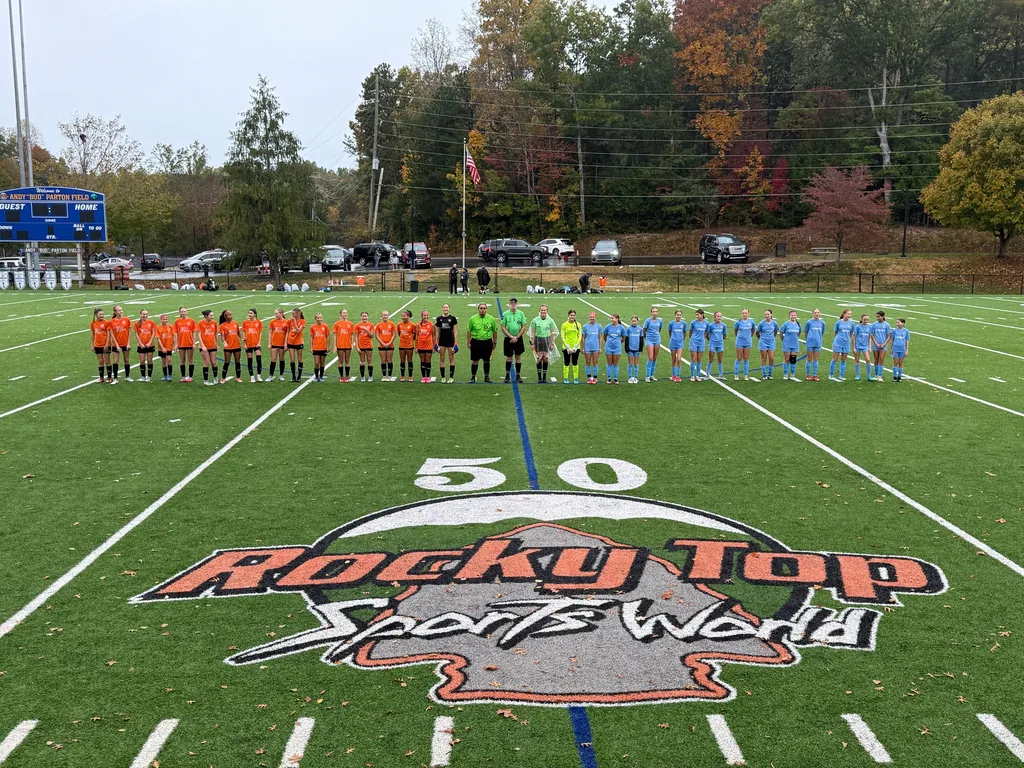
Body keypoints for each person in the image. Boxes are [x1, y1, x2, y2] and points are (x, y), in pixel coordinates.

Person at [467, 302, 498, 383]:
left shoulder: (491, 319)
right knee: (475, 361)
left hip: (487, 342)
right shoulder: (472, 319)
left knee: (486, 360)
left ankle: (486, 377)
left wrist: (494, 342)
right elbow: (469, 331)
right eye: (481, 308)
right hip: (475, 342)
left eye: (484, 308)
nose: (482, 310)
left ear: (486, 309)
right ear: (478, 309)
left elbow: (494, 331)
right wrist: (468, 342)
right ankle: (473, 377)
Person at [529, 304, 558, 383]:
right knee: (539, 359)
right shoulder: (535, 320)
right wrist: (532, 343)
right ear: (539, 311)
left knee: (545, 358)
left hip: (547, 340)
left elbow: (552, 333)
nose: (543, 311)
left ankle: (544, 377)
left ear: (547, 311)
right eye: (542, 310)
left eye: (544, 310)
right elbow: (532, 333)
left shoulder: (550, 320)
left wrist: (552, 343)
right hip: (538, 340)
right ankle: (539, 377)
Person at [500, 297, 527, 383]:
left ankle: (518, 375)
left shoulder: (521, 314)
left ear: (517, 304)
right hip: (508, 339)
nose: (513, 304)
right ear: (509, 304)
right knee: (508, 357)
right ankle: (507, 375)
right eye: (511, 303)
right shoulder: (505, 314)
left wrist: (517, 337)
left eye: (514, 303)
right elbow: (503, 327)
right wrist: (511, 337)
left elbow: (524, 326)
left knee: (518, 357)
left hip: (518, 339)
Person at [108, 304, 132, 383]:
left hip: (125, 343)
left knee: (126, 360)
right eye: (119, 310)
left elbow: (129, 332)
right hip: (116, 344)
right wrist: (116, 344)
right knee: (115, 360)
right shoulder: (112, 322)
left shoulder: (127, 320)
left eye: (121, 310)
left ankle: (127, 376)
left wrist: (128, 343)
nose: (121, 311)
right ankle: (115, 378)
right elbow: (111, 334)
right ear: (115, 312)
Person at [830, 309, 855, 381]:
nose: (849, 315)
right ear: (844, 314)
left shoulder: (852, 323)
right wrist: (837, 340)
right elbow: (835, 332)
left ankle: (841, 375)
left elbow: (851, 333)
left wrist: (847, 339)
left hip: (846, 343)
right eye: (848, 314)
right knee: (835, 359)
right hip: (838, 342)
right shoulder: (838, 323)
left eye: (850, 314)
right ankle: (831, 375)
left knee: (843, 359)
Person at [218, 309, 243, 383]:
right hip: (228, 347)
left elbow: (238, 332)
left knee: (237, 362)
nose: (231, 316)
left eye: (231, 314)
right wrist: (224, 342)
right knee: (227, 362)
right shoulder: (222, 326)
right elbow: (222, 336)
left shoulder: (235, 323)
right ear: (225, 316)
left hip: (237, 346)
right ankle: (223, 378)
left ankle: (238, 377)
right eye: (229, 315)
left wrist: (242, 338)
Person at [435, 303, 458, 383]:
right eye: (444, 307)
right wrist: (436, 342)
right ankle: (443, 377)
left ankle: (451, 377)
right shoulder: (439, 319)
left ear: (449, 308)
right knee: (442, 359)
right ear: (442, 308)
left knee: (451, 359)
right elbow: (437, 332)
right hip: (442, 341)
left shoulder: (453, 318)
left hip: (450, 341)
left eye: (447, 307)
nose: (445, 309)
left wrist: (456, 343)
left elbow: (455, 331)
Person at [173, 306, 197, 383]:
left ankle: (190, 376)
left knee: (190, 359)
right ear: (179, 313)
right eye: (182, 312)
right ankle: (183, 376)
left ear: (187, 312)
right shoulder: (177, 321)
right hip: (181, 343)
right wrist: (176, 344)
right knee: (182, 359)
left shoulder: (191, 321)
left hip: (189, 343)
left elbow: (193, 332)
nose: (183, 313)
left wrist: (194, 343)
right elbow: (175, 333)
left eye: (184, 311)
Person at [197, 309, 219, 386]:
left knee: (214, 362)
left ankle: (215, 377)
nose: (212, 317)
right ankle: (206, 380)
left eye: (213, 315)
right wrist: (202, 345)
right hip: (204, 346)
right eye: (211, 315)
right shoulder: (200, 323)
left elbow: (216, 334)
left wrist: (217, 344)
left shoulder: (214, 323)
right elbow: (199, 335)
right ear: (206, 316)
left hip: (212, 345)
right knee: (206, 362)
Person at [756, 309, 780, 380]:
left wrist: (772, 338)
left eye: (768, 314)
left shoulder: (774, 323)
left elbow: (775, 331)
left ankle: (770, 374)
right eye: (765, 314)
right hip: (763, 342)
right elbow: (757, 332)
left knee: (771, 358)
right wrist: (761, 339)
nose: (766, 316)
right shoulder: (761, 323)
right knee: (764, 358)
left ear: (771, 315)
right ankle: (764, 374)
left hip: (771, 342)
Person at [333, 309, 355, 382]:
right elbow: (335, 335)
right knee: (340, 361)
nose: (345, 314)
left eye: (346, 313)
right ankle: (341, 376)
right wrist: (335, 345)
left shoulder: (350, 324)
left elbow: (352, 335)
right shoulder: (337, 324)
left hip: (348, 345)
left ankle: (347, 376)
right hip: (340, 345)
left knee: (347, 360)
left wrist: (352, 344)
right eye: (343, 313)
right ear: (340, 314)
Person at [603, 313, 626, 384]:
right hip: (608, 347)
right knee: (609, 362)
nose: (611, 320)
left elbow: (624, 337)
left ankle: (615, 379)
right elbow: (605, 336)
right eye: (611, 318)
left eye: (612, 318)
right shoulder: (608, 327)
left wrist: (619, 343)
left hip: (617, 348)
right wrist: (608, 342)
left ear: (617, 319)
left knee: (615, 363)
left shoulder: (621, 328)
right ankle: (609, 378)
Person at [133, 309, 156, 383]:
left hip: (150, 345)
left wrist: (149, 342)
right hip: (141, 345)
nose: (145, 315)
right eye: (143, 314)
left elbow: (153, 333)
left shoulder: (151, 322)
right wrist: (140, 343)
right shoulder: (137, 323)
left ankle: (149, 376)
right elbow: (136, 334)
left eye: (146, 314)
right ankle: (143, 376)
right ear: (140, 314)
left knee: (149, 360)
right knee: (142, 361)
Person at [560, 309, 582, 385]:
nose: (572, 316)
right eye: (571, 315)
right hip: (566, 347)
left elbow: (579, 336)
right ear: (568, 316)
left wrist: (576, 346)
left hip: (576, 347)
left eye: (573, 315)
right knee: (566, 362)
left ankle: (576, 378)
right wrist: (567, 347)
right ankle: (565, 378)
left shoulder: (578, 325)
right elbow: (562, 336)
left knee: (575, 362)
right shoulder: (564, 325)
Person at [803, 308, 825, 382]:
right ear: (812, 314)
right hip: (810, 343)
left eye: (818, 312)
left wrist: (819, 339)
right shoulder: (809, 322)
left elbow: (822, 332)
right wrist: (808, 340)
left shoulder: (822, 323)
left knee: (816, 359)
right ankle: (808, 374)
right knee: (809, 358)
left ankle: (815, 375)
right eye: (815, 313)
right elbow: (806, 332)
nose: (817, 314)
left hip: (818, 343)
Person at [779, 310, 802, 382]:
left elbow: (799, 333)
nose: (793, 316)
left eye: (794, 315)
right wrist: (784, 340)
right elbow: (781, 333)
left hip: (795, 344)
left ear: (796, 316)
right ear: (789, 316)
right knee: (786, 359)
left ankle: (792, 374)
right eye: (792, 315)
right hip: (787, 344)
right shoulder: (786, 324)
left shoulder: (798, 324)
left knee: (793, 359)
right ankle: (785, 374)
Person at [581, 311, 603, 384]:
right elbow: (583, 337)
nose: (592, 318)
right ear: (589, 317)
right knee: (588, 362)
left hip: (596, 347)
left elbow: (600, 337)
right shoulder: (585, 326)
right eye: (591, 317)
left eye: (593, 317)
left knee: (595, 362)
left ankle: (595, 378)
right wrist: (583, 348)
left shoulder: (599, 326)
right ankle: (589, 378)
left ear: (595, 318)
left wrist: (600, 347)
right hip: (587, 347)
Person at [242, 309, 264, 383]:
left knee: (258, 360)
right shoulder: (245, 322)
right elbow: (244, 333)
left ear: (255, 314)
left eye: (251, 313)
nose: (249, 314)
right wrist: (244, 344)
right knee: (250, 361)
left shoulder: (258, 322)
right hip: (248, 344)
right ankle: (252, 377)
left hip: (256, 344)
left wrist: (259, 342)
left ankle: (258, 376)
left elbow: (260, 333)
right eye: (249, 313)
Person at [870, 310, 892, 382]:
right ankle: (876, 374)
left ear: (883, 316)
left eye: (879, 317)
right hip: (876, 344)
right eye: (876, 317)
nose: (877, 318)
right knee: (876, 359)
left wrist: (884, 344)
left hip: (883, 345)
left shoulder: (887, 325)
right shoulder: (874, 324)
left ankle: (880, 375)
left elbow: (889, 335)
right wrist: (876, 343)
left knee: (881, 359)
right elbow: (872, 335)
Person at [267, 308, 289, 382]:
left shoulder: (286, 322)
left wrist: (286, 343)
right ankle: (270, 375)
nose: (275, 315)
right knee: (273, 359)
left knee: (281, 358)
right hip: (274, 343)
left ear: (281, 313)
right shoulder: (272, 322)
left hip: (282, 343)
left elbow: (287, 333)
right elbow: (270, 333)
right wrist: (269, 343)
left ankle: (281, 375)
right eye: (275, 314)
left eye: (276, 313)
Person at [688, 309, 710, 382]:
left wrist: (703, 337)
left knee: (699, 359)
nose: (697, 316)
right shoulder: (693, 323)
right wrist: (693, 338)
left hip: (701, 342)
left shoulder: (706, 323)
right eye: (696, 315)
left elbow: (707, 332)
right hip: (694, 342)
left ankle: (697, 375)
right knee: (693, 358)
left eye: (698, 315)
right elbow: (690, 332)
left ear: (702, 315)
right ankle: (692, 375)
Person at [642, 307, 663, 382]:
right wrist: (646, 337)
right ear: (651, 313)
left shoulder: (659, 321)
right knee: (650, 357)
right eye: (653, 311)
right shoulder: (647, 321)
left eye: (656, 311)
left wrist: (656, 335)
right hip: (649, 340)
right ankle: (647, 376)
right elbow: (644, 330)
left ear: (657, 313)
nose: (654, 313)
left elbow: (659, 329)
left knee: (655, 357)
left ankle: (651, 375)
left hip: (657, 339)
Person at [733, 308, 755, 381]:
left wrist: (749, 336)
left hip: (748, 342)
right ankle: (736, 374)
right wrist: (738, 337)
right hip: (739, 342)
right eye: (743, 313)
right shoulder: (738, 322)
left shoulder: (751, 322)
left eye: (745, 313)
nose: (744, 314)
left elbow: (753, 330)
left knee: (746, 358)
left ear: (748, 314)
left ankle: (746, 375)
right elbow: (735, 330)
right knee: (739, 357)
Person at [375, 310, 397, 381]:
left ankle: (389, 376)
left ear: (388, 316)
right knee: (383, 360)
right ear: (381, 316)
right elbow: (377, 335)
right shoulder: (378, 325)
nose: (385, 316)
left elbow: (394, 335)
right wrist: (383, 343)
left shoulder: (392, 324)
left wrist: (389, 343)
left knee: (389, 360)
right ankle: (384, 376)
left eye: (386, 315)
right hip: (381, 346)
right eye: (384, 315)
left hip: (390, 345)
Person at [90, 308, 111, 383]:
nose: (102, 316)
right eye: (100, 314)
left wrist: (107, 344)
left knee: (107, 361)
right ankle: (101, 378)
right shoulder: (93, 323)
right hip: (97, 345)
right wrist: (92, 345)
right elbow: (93, 334)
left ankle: (109, 377)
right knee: (100, 361)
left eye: (103, 314)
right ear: (96, 315)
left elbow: (108, 334)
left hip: (105, 345)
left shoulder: (107, 322)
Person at [308, 312, 330, 382]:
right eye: (317, 318)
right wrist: (311, 347)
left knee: (322, 363)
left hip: (323, 347)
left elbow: (328, 336)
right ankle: (316, 376)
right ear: (315, 319)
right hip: (316, 347)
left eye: (320, 318)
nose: (319, 319)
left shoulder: (325, 326)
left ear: (322, 318)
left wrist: (328, 346)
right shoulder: (313, 327)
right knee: (317, 362)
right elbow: (311, 337)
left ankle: (321, 376)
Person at [416, 310, 437, 382]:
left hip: (429, 346)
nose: (426, 316)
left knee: (428, 361)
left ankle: (427, 377)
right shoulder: (418, 325)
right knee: (422, 361)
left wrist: (433, 347)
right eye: (424, 315)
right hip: (420, 346)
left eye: (427, 315)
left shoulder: (432, 325)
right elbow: (416, 336)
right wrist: (416, 347)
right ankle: (423, 377)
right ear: (421, 316)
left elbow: (434, 336)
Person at [852, 313, 874, 381]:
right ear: (862, 319)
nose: (866, 321)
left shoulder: (869, 327)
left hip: (865, 346)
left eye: (867, 319)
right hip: (858, 345)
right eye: (865, 319)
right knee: (857, 360)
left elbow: (870, 337)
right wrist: (854, 347)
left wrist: (870, 347)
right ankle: (858, 375)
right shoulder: (858, 327)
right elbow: (854, 337)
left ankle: (869, 375)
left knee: (868, 359)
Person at [287, 307, 306, 382]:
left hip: (299, 342)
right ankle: (293, 376)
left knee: (299, 359)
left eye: (293, 314)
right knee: (292, 359)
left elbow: (298, 331)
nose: (292, 315)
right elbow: (288, 331)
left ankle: (299, 376)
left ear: (298, 314)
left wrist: (294, 322)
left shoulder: (302, 321)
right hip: (291, 341)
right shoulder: (289, 321)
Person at [355, 310, 376, 381]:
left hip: (369, 345)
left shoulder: (371, 325)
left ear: (368, 317)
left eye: (365, 316)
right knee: (362, 361)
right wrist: (357, 347)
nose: (364, 317)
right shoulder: (358, 325)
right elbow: (356, 336)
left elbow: (372, 336)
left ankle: (370, 376)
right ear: (361, 317)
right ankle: (362, 376)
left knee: (369, 360)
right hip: (361, 346)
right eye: (363, 316)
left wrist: (367, 330)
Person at [667, 310, 686, 382]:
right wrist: (672, 338)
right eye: (677, 315)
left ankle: (678, 376)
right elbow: (670, 332)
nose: (679, 316)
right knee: (673, 359)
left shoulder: (683, 324)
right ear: (675, 315)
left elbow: (684, 332)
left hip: (680, 343)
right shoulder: (671, 323)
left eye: (680, 315)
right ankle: (673, 375)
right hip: (673, 343)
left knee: (679, 359)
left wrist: (682, 340)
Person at [397, 310, 416, 381]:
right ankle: (402, 376)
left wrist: (410, 340)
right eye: (402, 316)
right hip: (401, 345)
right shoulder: (399, 325)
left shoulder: (412, 325)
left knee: (409, 360)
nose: (403, 317)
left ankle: (410, 377)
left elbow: (414, 335)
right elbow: (399, 334)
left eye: (404, 316)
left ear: (408, 316)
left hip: (409, 346)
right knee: (402, 360)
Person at [155, 313, 175, 381]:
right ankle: (165, 375)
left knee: (169, 360)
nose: (165, 320)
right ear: (161, 320)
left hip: (169, 346)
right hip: (161, 347)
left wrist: (174, 344)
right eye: (163, 319)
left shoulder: (170, 327)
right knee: (163, 362)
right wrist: (162, 347)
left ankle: (170, 375)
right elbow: (158, 338)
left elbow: (173, 335)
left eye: (166, 319)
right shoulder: (158, 327)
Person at [707, 311, 727, 379]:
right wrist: (711, 341)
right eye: (718, 316)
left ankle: (721, 374)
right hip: (712, 344)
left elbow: (724, 335)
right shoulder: (711, 325)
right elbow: (707, 334)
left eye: (720, 316)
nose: (719, 318)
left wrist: (720, 340)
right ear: (714, 317)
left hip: (720, 344)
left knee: (720, 360)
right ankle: (707, 374)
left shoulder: (723, 325)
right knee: (711, 359)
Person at [625, 315, 643, 384]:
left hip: (637, 349)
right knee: (630, 363)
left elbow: (641, 339)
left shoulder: (640, 329)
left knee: (636, 364)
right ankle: (630, 377)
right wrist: (627, 348)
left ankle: (635, 377)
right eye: (633, 321)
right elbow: (626, 339)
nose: (634, 322)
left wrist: (640, 349)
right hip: (630, 349)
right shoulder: (628, 329)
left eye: (635, 321)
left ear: (637, 321)